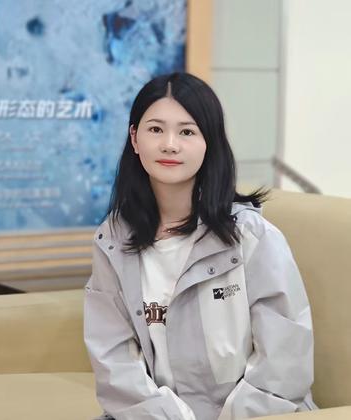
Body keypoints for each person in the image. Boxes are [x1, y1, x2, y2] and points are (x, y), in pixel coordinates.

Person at [84, 72, 317, 420]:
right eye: (155, 129)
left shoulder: (252, 237)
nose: (170, 144)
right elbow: (114, 361)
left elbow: (283, 364)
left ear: (210, 142)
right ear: (134, 138)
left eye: (187, 132)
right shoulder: (113, 240)